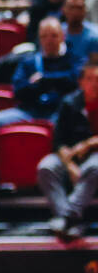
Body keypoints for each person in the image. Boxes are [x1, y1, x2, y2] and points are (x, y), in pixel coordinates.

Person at [38, 63, 98, 241]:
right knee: (46, 167)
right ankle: (73, 222)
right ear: (81, 82)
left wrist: (89, 143)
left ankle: (67, 217)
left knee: (95, 167)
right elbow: (59, 142)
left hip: (95, 156)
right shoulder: (69, 103)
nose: (95, 83)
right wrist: (70, 165)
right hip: (69, 156)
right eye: (90, 79)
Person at [0, 17, 79, 126]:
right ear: (39, 38)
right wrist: (47, 84)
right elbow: (18, 91)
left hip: (60, 112)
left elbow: (74, 83)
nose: (49, 41)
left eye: (54, 35)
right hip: (29, 111)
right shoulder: (28, 61)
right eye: (44, 36)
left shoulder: (73, 60)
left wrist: (43, 80)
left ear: (63, 36)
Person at [61, 0, 98, 69]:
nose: (75, 12)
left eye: (79, 8)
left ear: (85, 11)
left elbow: (94, 67)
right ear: (63, 10)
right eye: (71, 8)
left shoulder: (95, 34)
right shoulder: (56, 33)